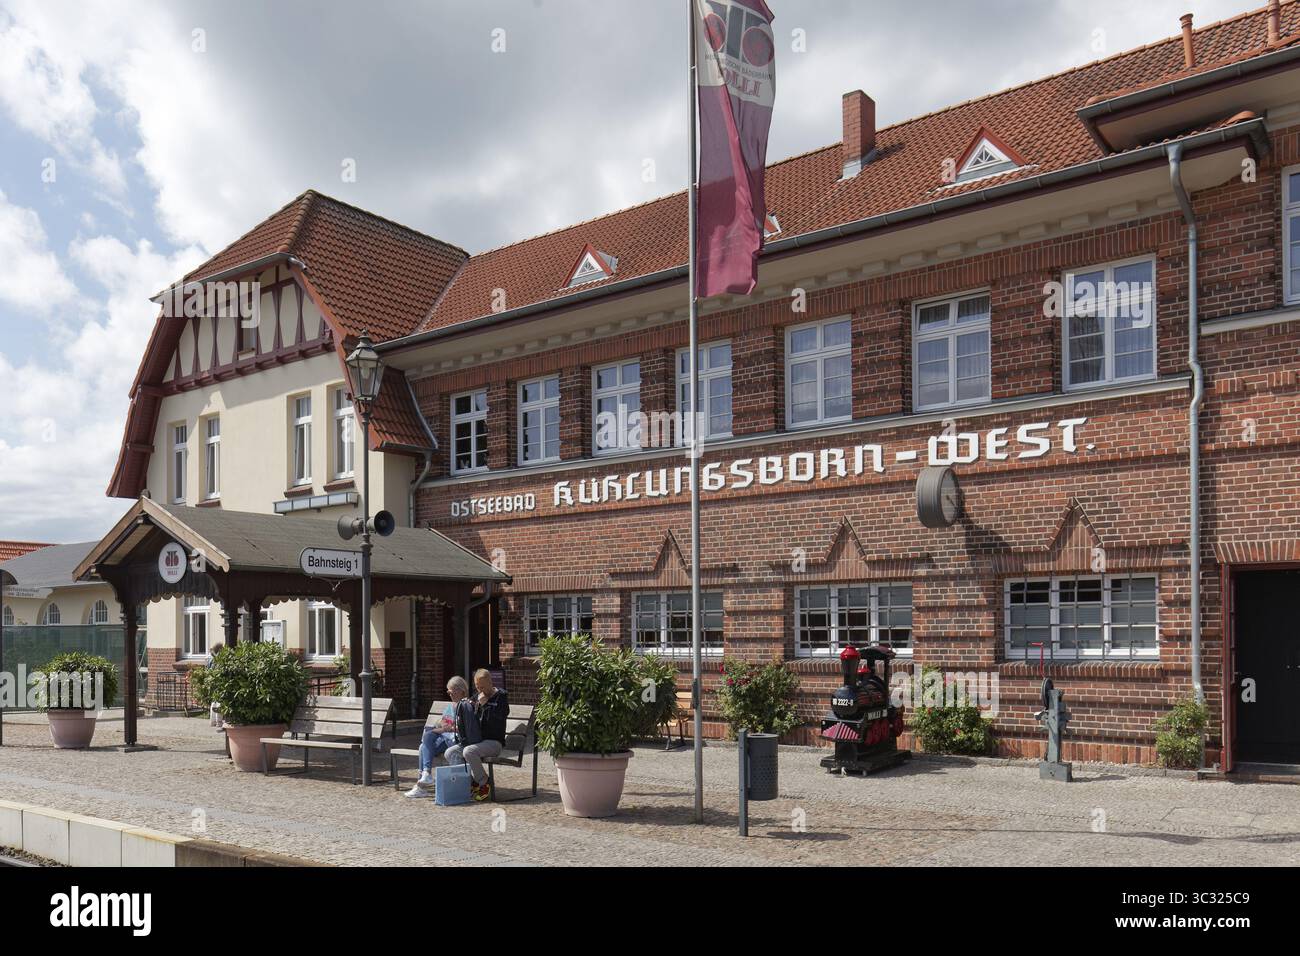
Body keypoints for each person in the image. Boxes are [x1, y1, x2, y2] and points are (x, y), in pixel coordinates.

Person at [445, 669, 508, 802]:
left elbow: (498, 719)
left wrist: (484, 706)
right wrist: (471, 705)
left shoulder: (501, 697)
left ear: (491, 682)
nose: (480, 690)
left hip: (493, 742)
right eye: (478, 687)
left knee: (469, 751)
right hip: (476, 741)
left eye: (483, 687)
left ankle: (484, 782)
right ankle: (467, 783)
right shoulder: (478, 696)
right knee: (450, 752)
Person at [404, 676, 468, 799]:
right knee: (423, 745)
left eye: (452, 691)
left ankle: (423, 783)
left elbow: (466, 728)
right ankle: (425, 776)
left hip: (456, 741)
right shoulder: (450, 707)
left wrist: (450, 727)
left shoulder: (466, 706)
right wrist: (438, 727)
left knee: (425, 745)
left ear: (461, 691)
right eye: (448, 691)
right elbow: (444, 727)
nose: (449, 694)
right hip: (445, 738)